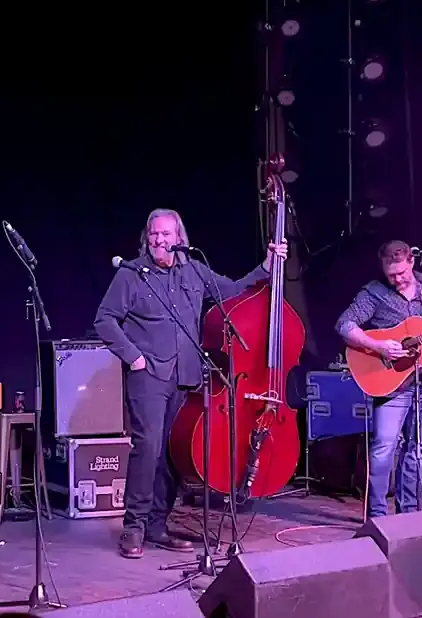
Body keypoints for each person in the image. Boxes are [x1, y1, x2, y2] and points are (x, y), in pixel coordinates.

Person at [93, 208, 287, 559]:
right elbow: (104, 320)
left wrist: (267, 267)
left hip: (186, 377)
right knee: (147, 447)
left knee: (173, 454)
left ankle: (157, 524)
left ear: (179, 239)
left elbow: (232, 290)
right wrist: (133, 357)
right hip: (148, 377)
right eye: (153, 234)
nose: (158, 240)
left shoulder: (193, 270)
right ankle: (133, 528)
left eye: (165, 234)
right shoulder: (132, 275)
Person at [336, 240, 422, 519]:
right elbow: (344, 324)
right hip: (391, 384)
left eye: (401, 273)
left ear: (412, 262)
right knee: (384, 448)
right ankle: (376, 516)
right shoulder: (375, 293)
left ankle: (408, 514)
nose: (397, 279)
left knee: (419, 449)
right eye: (391, 274)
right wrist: (378, 346)